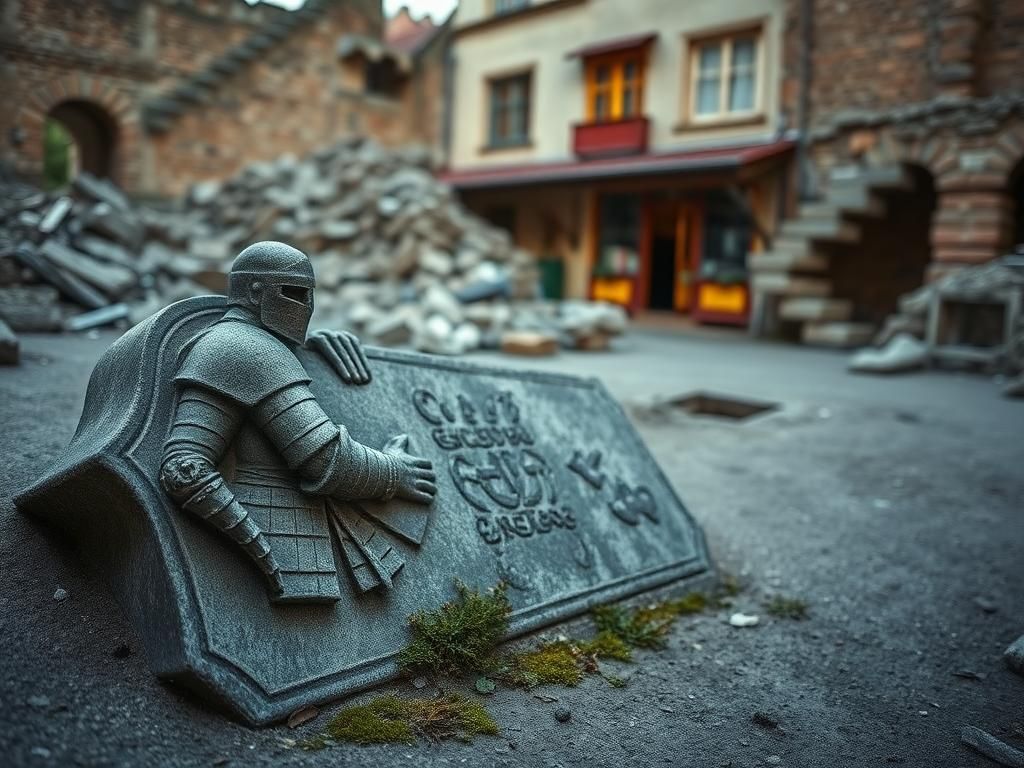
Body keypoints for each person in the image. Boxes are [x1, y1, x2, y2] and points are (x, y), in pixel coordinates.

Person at [159, 241, 435, 603]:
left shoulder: (237, 343)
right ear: (256, 292)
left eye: (309, 295)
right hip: (278, 532)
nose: (305, 306)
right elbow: (324, 459)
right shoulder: (246, 347)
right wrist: (393, 473)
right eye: (294, 293)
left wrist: (302, 351)